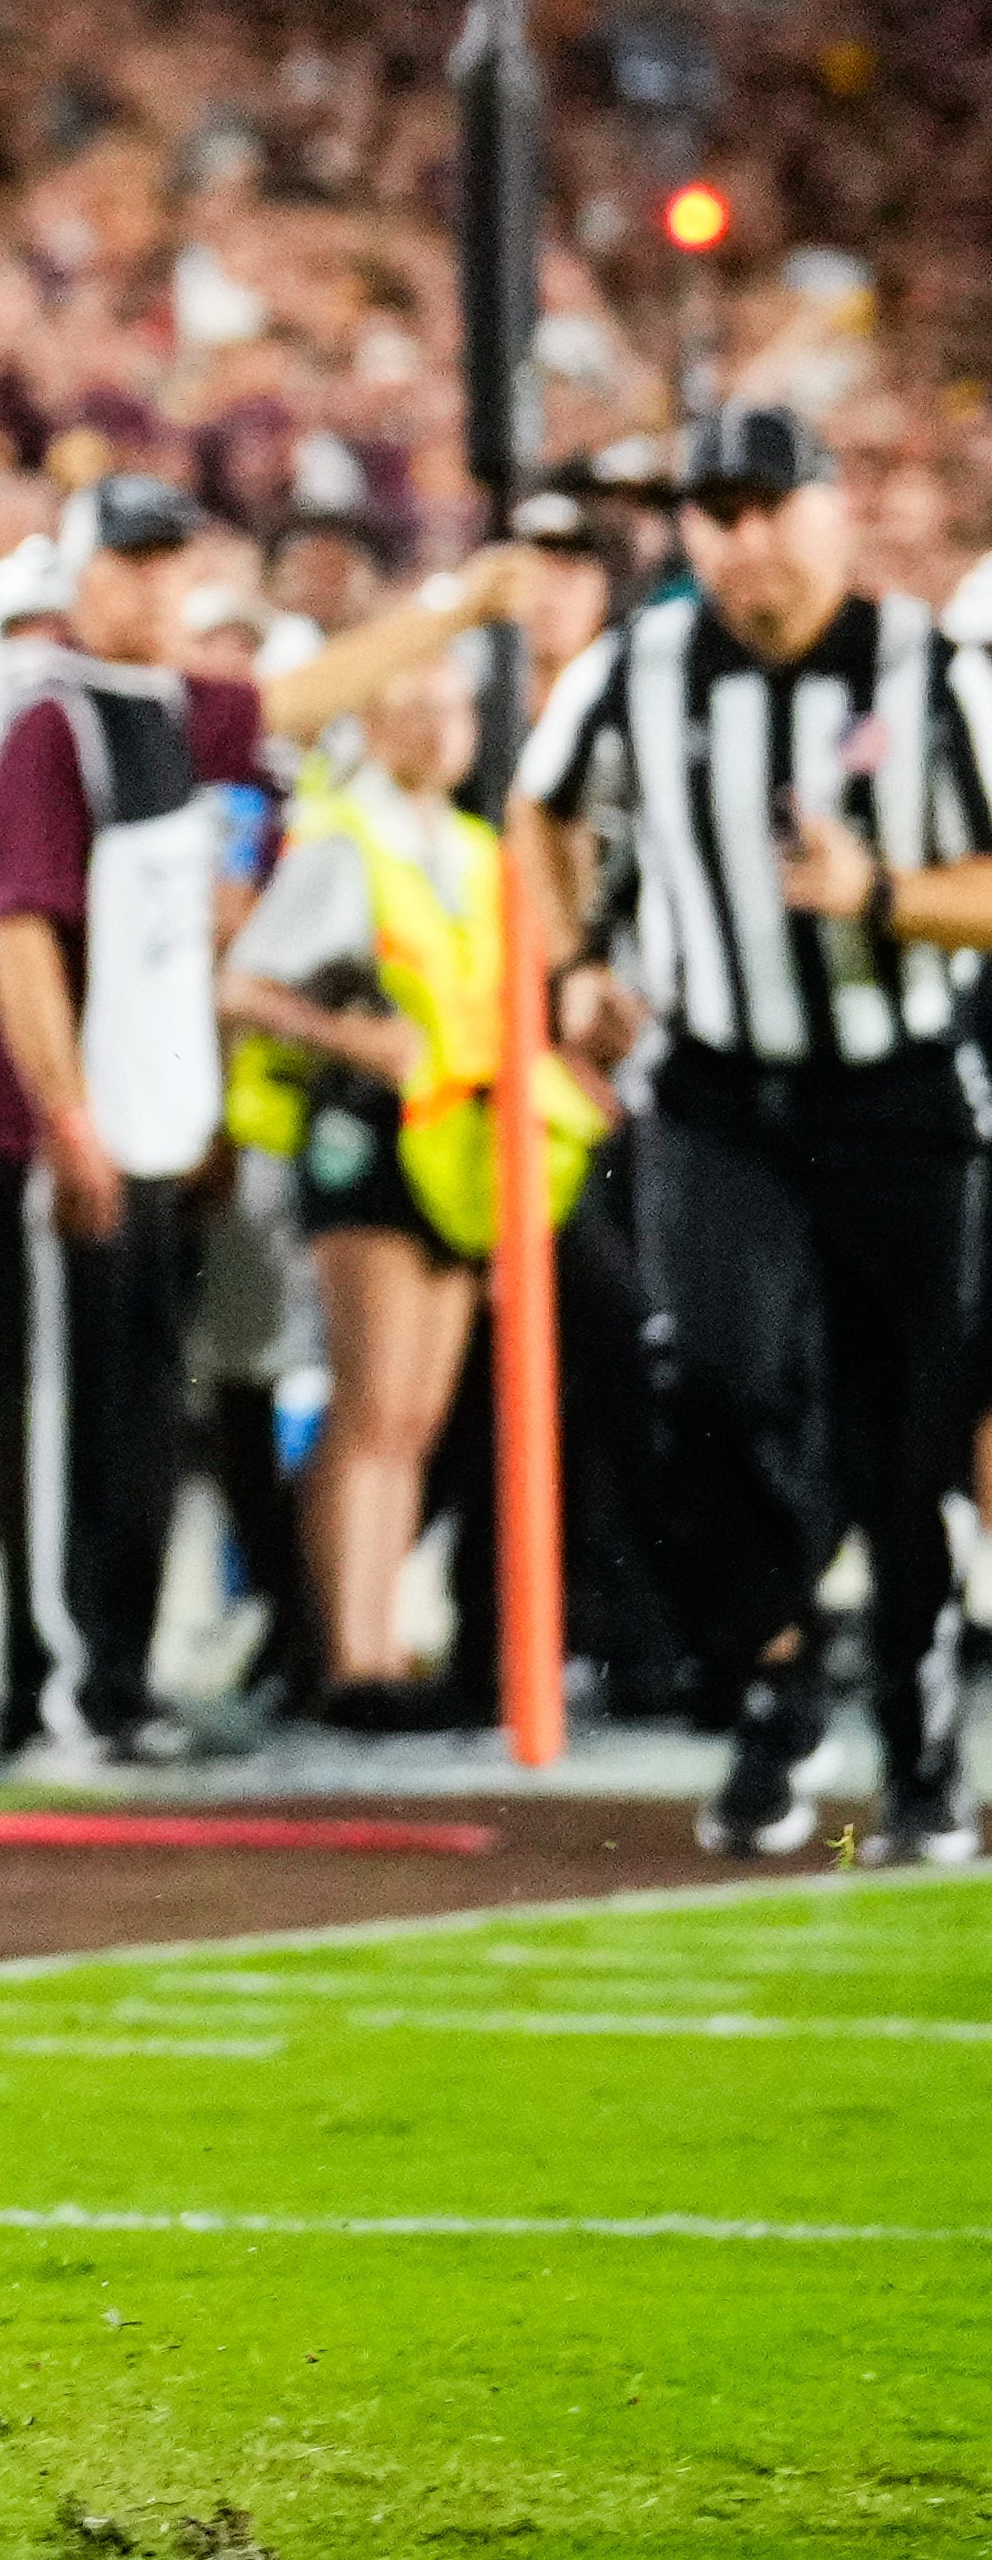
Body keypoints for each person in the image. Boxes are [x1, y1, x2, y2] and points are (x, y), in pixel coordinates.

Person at [505, 402, 986, 1863]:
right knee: (700, 1378)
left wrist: (882, 895)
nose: (743, 540)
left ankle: (916, 1750)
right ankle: (780, 1670)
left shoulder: (933, 670)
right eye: (714, 512)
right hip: (715, 1087)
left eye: (768, 506)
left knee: (910, 1436)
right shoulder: (638, 664)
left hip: (898, 1092)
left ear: (831, 510)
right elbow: (536, 816)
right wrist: (575, 960)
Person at [0, 474, 496, 1773]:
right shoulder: (54, 725)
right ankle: (65, 1691)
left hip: (151, 1126)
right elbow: (23, 934)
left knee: (143, 1417)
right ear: (84, 579)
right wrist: (70, 1115)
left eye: (165, 563)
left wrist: (453, 606)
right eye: (126, 563)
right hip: (75, 1128)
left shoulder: (170, 711)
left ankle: (121, 1678)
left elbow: (310, 698)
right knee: (72, 1422)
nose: (147, 586)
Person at [224, 636, 574, 1730]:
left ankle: (367, 1642)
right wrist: (347, 1037)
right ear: (371, 721)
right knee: (371, 1405)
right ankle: (350, 1654)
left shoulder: (469, 846)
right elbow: (241, 986)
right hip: (365, 1132)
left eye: (451, 706)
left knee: (412, 1414)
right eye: (413, 704)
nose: (437, 726)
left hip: (453, 1146)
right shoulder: (342, 839)